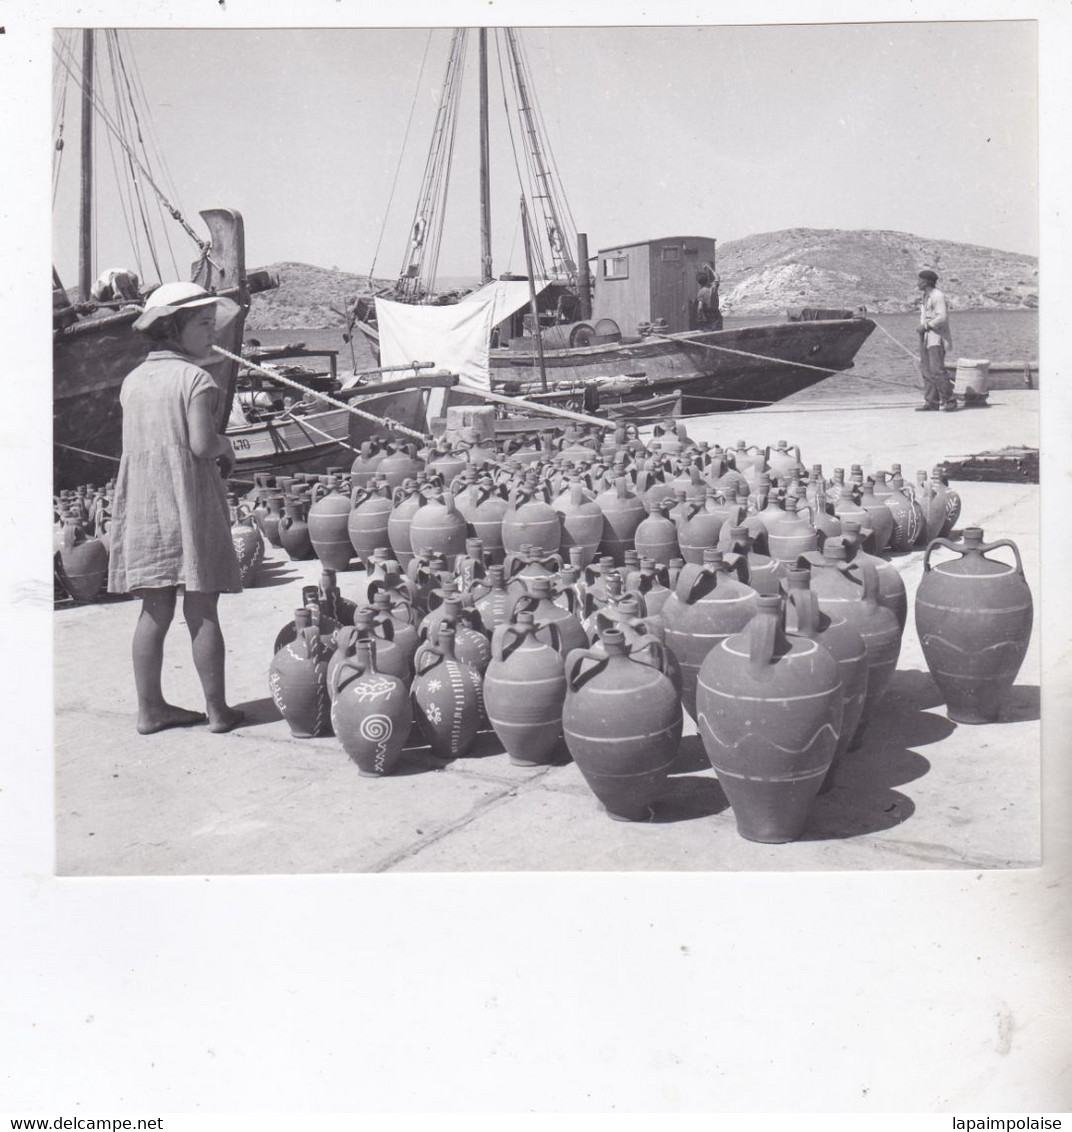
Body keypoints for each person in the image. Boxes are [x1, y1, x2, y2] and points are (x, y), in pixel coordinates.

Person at [106, 281, 245, 734]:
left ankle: (150, 709)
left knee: (154, 609)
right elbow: (202, 444)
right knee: (202, 607)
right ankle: (218, 711)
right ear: (173, 327)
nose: (212, 333)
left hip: (146, 505)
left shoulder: (132, 382)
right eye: (204, 324)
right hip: (188, 499)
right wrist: (228, 446)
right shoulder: (196, 379)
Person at [915, 268, 955, 411]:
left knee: (937, 370)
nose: (917, 282)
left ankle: (949, 400)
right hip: (926, 338)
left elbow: (942, 318)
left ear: (926, 282)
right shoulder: (926, 297)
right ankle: (932, 402)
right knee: (926, 370)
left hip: (936, 338)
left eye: (920, 280)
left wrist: (926, 326)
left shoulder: (937, 296)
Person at [695, 264, 723, 331]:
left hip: (707, 314)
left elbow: (700, 307)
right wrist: (709, 268)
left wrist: (699, 318)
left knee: (708, 331)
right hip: (716, 313)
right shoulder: (713, 287)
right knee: (717, 330)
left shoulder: (701, 292)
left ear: (698, 282)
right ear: (707, 279)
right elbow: (717, 277)